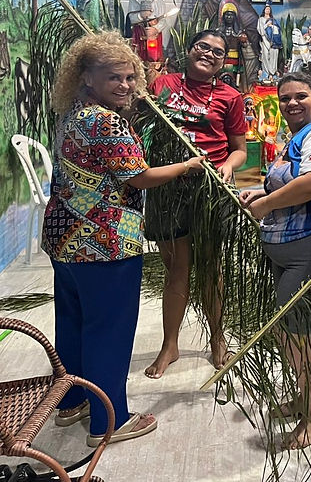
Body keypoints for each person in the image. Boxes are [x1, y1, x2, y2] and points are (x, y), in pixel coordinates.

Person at [42, 32, 204, 447]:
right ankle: (107, 420)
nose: (126, 86)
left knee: (75, 325)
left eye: (131, 77)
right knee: (109, 330)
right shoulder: (106, 120)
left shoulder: (70, 115)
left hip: (65, 240)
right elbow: (139, 176)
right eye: (114, 77)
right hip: (105, 242)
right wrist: (186, 166)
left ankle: (72, 402)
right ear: (86, 78)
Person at [240, 72, 311, 450]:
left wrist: (265, 204)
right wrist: (261, 191)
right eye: (285, 98)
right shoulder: (293, 138)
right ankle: (306, 398)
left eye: (301, 96)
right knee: (298, 331)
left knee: (294, 332)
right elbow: (285, 182)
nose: (292, 104)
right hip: (289, 249)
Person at [143, 30, 248, 379]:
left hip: (209, 190)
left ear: (223, 62)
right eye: (203, 47)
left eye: (218, 52)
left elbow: (239, 150)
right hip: (166, 190)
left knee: (212, 268)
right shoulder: (162, 84)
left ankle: (218, 339)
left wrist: (228, 167)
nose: (209, 54)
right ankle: (169, 345)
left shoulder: (230, 97)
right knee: (177, 268)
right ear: (189, 50)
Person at [257, 4, 282, 84]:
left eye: (269, 9)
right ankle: (266, 73)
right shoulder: (261, 19)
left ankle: (273, 73)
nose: (267, 11)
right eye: (266, 9)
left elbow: (278, 29)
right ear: (264, 10)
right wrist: (266, 25)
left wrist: (272, 26)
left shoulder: (273, 20)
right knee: (265, 56)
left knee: (273, 56)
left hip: (272, 41)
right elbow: (260, 30)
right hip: (264, 40)